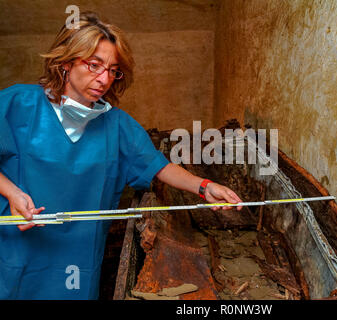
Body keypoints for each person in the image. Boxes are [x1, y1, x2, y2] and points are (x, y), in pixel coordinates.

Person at [0, 11, 242, 299]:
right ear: (65, 62)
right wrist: (12, 192)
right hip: (18, 248)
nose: (104, 79)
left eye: (112, 70)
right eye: (94, 65)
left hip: (77, 261)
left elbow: (156, 166)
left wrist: (205, 187)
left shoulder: (116, 124)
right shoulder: (18, 104)